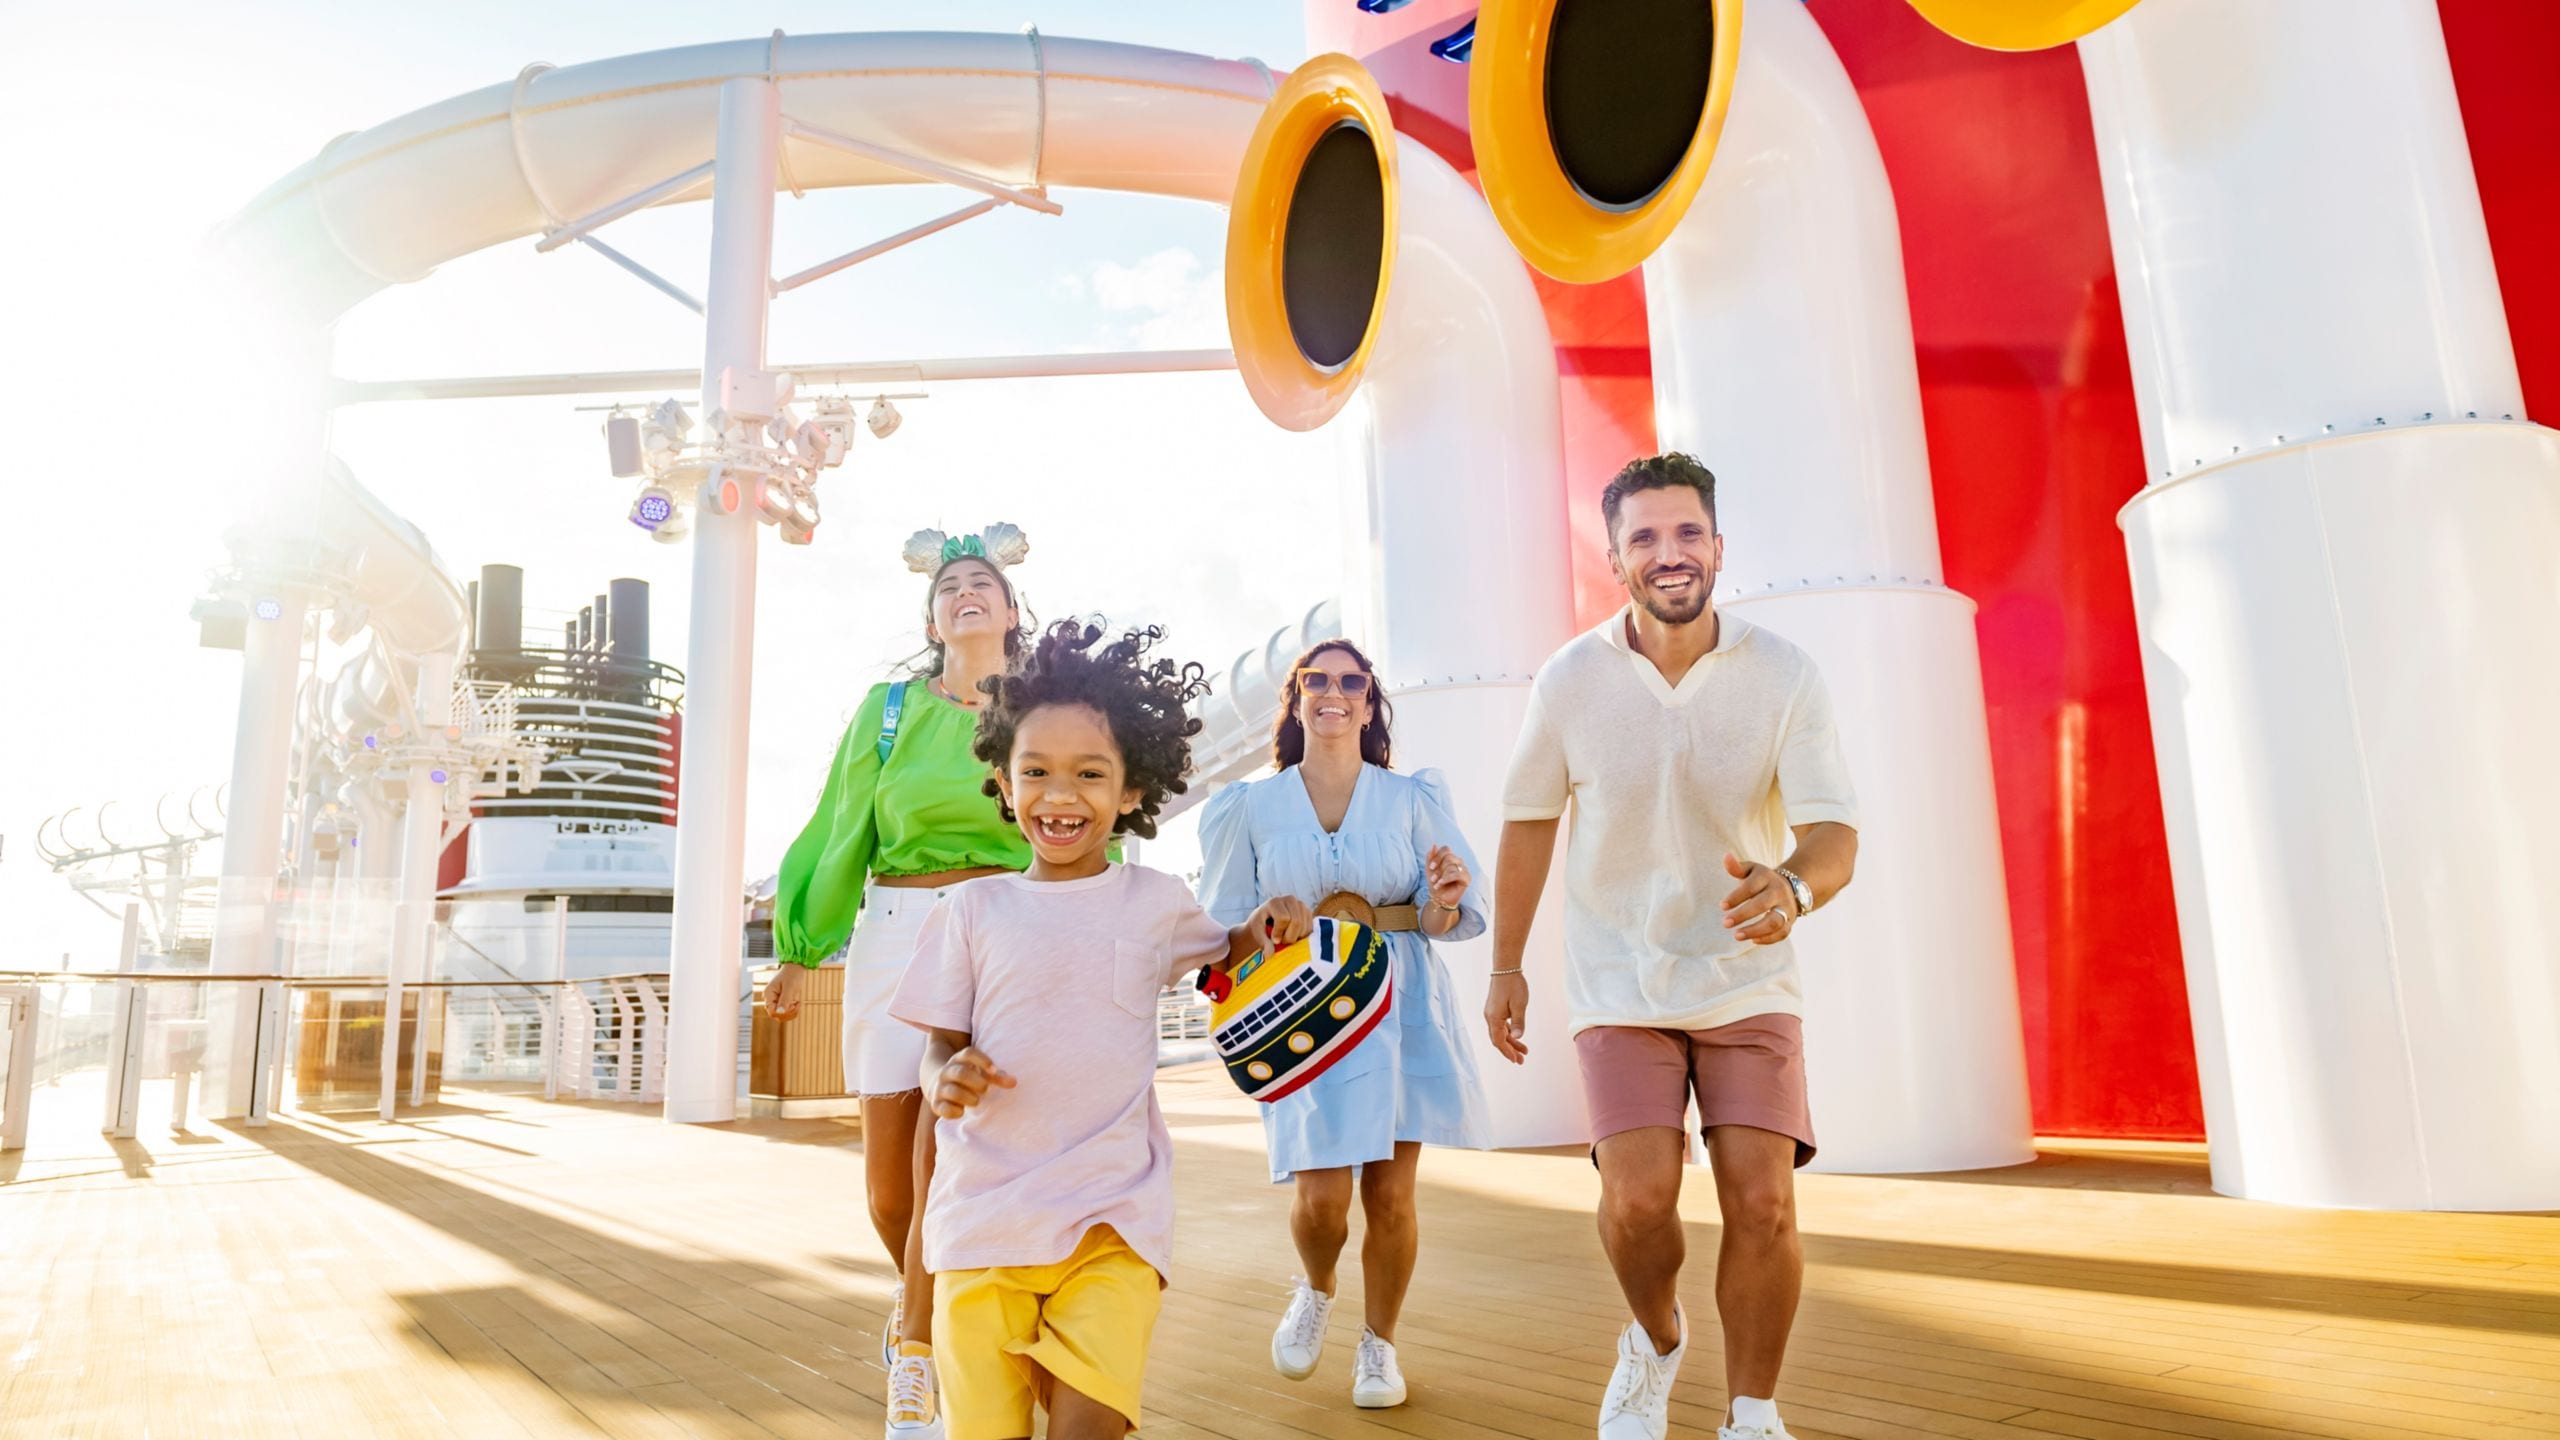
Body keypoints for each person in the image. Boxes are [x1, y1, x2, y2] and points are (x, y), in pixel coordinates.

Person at [1486, 453, 1860, 1440]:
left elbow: (1833, 834)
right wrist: (1505, 965)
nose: (1669, 553)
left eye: (1686, 532)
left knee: (1763, 1202)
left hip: (1747, 980)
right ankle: (1653, 1341)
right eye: (1644, 537)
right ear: (1615, 557)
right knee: (1641, 1200)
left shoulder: (1785, 674)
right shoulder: (1570, 680)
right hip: (1618, 981)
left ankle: (1752, 1415)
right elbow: (1528, 822)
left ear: (1717, 546)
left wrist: (1791, 887)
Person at [890, 620, 1311, 1440]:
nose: (1060, 794)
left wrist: (1266, 924)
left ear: (1129, 791)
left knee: (1092, 1427)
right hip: (982, 1225)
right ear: (1006, 787)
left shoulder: (1155, 902)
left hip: (1113, 1218)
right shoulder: (973, 910)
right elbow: (936, 1045)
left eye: (1090, 773)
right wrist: (944, 1074)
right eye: (1036, 773)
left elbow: (1224, 952)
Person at [767, 523, 1045, 1439]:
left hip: (1008, 928)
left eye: (983, 582)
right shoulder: (889, 710)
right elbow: (842, 824)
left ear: (1010, 611)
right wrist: (802, 945)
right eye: (950, 585)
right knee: (891, 1192)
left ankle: (921, 1360)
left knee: (939, 1158)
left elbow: (1088, 815)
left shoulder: (1045, 705)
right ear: (933, 615)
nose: (966, 592)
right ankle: (924, 1310)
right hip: (895, 930)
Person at [1196, 638, 1490, 1409]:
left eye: (1350, 681)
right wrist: (1263, 920)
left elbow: (1444, 916)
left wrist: (1448, 898)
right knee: (1323, 1201)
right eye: (1316, 680)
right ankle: (1318, 1285)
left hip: (1399, 998)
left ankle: (1380, 1345)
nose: (1334, 692)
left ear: (1368, 701)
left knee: (1391, 1197)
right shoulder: (1248, 807)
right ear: (1294, 697)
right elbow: (1218, 936)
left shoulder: (1415, 797)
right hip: (1304, 1009)